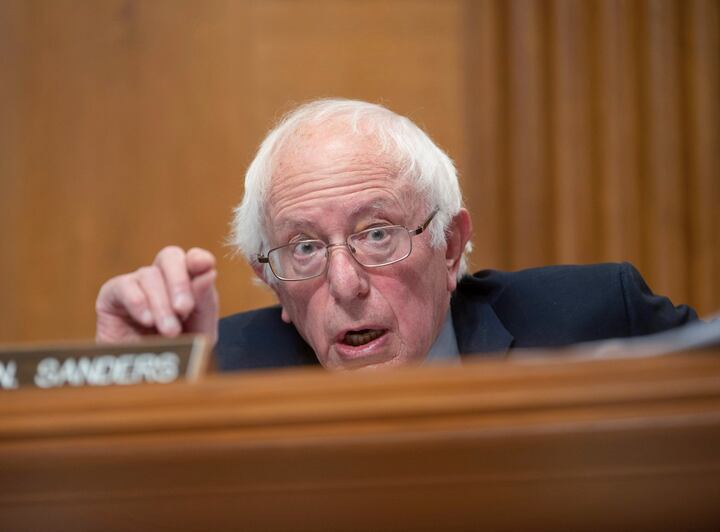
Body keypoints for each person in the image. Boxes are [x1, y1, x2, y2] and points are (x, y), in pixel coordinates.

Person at [95, 99, 696, 371]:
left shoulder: (596, 319)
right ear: (270, 280)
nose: (345, 283)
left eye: (376, 234)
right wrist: (132, 393)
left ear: (451, 244)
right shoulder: (216, 371)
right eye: (303, 247)